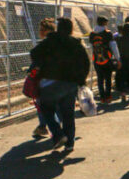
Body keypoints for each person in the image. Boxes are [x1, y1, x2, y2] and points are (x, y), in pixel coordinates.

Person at [30, 18, 90, 152]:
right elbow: (85, 62)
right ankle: (70, 144)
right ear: (71, 29)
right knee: (68, 114)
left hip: (50, 83)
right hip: (70, 84)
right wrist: (81, 80)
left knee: (46, 110)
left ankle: (58, 134)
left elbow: (33, 54)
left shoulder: (49, 41)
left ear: (58, 28)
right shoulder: (76, 43)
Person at [32, 18, 57, 138]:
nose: (39, 32)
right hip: (60, 79)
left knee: (43, 105)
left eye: (41, 30)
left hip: (47, 80)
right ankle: (44, 127)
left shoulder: (44, 45)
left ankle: (46, 128)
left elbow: (36, 60)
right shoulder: (60, 43)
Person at [89, 16, 121, 104]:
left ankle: (102, 97)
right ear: (104, 23)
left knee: (100, 79)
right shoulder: (108, 33)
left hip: (96, 59)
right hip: (107, 59)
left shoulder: (92, 34)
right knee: (107, 78)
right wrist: (118, 59)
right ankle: (108, 96)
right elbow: (113, 47)